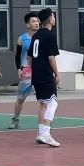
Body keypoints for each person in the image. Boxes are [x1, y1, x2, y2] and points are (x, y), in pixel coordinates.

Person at [29, 8, 61, 147]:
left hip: (36, 74)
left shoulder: (36, 35)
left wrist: (35, 70)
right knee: (53, 103)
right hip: (46, 74)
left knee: (43, 103)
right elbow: (51, 57)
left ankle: (41, 133)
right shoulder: (49, 36)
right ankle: (46, 133)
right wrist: (57, 73)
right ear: (49, 19)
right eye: (53, 16)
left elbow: (29, 57)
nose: (54, 18)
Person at [8, 11, 40, 129]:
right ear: (27, 24)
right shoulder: (22, 39)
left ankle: (45, 123)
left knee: (44, 99)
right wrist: (19, 69)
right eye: (33, 21)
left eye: (37, 21)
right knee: (20, 99)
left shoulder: (42, 37)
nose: (36, 23)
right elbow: (17, 56)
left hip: (40, 71)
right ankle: (15, 119)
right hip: (26, 72)